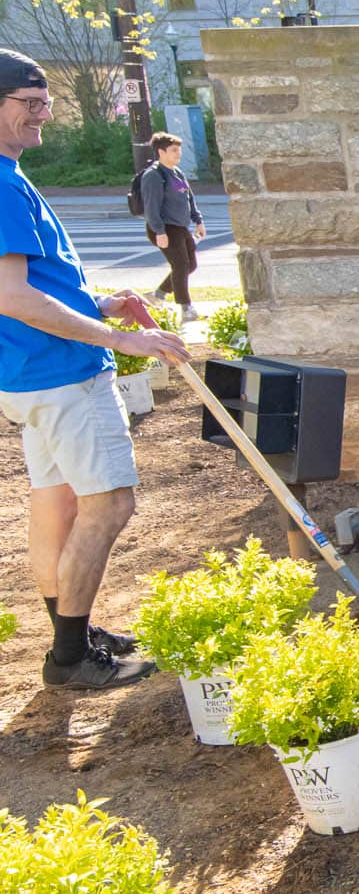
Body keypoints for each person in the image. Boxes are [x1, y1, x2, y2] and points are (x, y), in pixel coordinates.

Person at [0, 48, 185, 690]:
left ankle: (68, 638)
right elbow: (13, 295)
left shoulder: (7, 175)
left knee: (55, 502)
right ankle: (72, 658)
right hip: (64, 375)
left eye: (45, 102)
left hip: (31, 378)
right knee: (108, 506)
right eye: (29, 104)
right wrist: (117, 338)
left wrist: (103, 302)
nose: (43, 115)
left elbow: (38, 283)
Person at [140, 132, 205, 320]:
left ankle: (158, 295)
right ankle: (186, 309)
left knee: (190, 265)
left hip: (180, 227)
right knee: (181, 265)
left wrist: (198, 220)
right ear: (161, 152)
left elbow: (189, 198)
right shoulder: (153, 175)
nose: (178, 154)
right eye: (174, 150)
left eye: (179, 150)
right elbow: (151, 206)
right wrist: (159, 231)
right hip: (165, 228)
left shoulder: (177, 172)